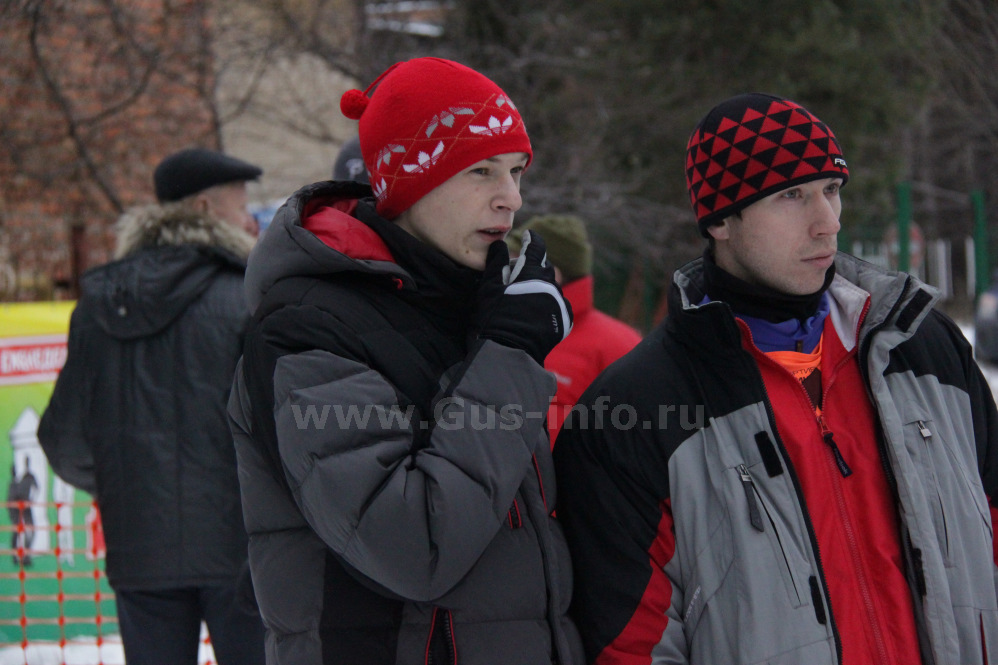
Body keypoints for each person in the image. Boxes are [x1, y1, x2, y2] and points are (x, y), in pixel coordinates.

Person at [553, 93, 998, 665]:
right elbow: (629, 647)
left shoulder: (923, 348)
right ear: (720, 220)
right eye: (792, 196)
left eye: (832, 190)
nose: (828, 223)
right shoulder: (637, 409)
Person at [227, 57, 584, 665]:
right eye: (481, 171)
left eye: (517, 171)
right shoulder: (308, 328)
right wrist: (511, 354)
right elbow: (414, 548)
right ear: (409, 185)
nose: (512, 198)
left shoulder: (464, 304)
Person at [38, 147, 267, 665]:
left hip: (139, 549)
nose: (249, 221)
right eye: (240, 207)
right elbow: (277, 431)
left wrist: (127, 484)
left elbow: (64, 438)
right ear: (205, 209)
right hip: (242, 548)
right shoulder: (246, 298)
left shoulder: (98, 306)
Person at [507, 214, 642, 445]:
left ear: (552, 271)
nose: (506, 270)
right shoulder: (495, 322)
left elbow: (635, 433)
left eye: (516, 262)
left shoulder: (619, 345)